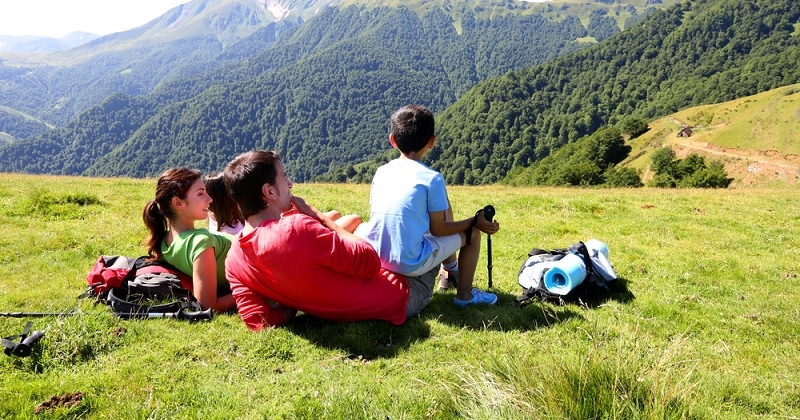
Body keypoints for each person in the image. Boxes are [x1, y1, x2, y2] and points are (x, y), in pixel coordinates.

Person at [223, 150, 439, 331]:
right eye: (284, 177)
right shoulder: (296, 228)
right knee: (438, 232)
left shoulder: (234, 259)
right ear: (269, 191)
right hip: (402, 295)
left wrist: (296, 301)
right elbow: (370, 262)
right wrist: (321, 218)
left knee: (365, 230)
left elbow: (258, 321)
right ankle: (456, 273)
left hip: (348, 306)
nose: (290, 183)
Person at [355, 104, 500, 306]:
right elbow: (439, 229)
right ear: (431, 141)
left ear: (392, 140)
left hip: (378, 255)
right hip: (408, 263)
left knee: (440, 213)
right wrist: (475, 222)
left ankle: (451, 270)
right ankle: (464, 296)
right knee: (472, 234)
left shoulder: (382, 171)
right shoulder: (431, 179)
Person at [142, 168, 237, 312]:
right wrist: (254, 292)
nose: (209, 199)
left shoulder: (165, 242)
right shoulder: (200, 241)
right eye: (200, 193)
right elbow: (207, 305)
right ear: (178, 203)